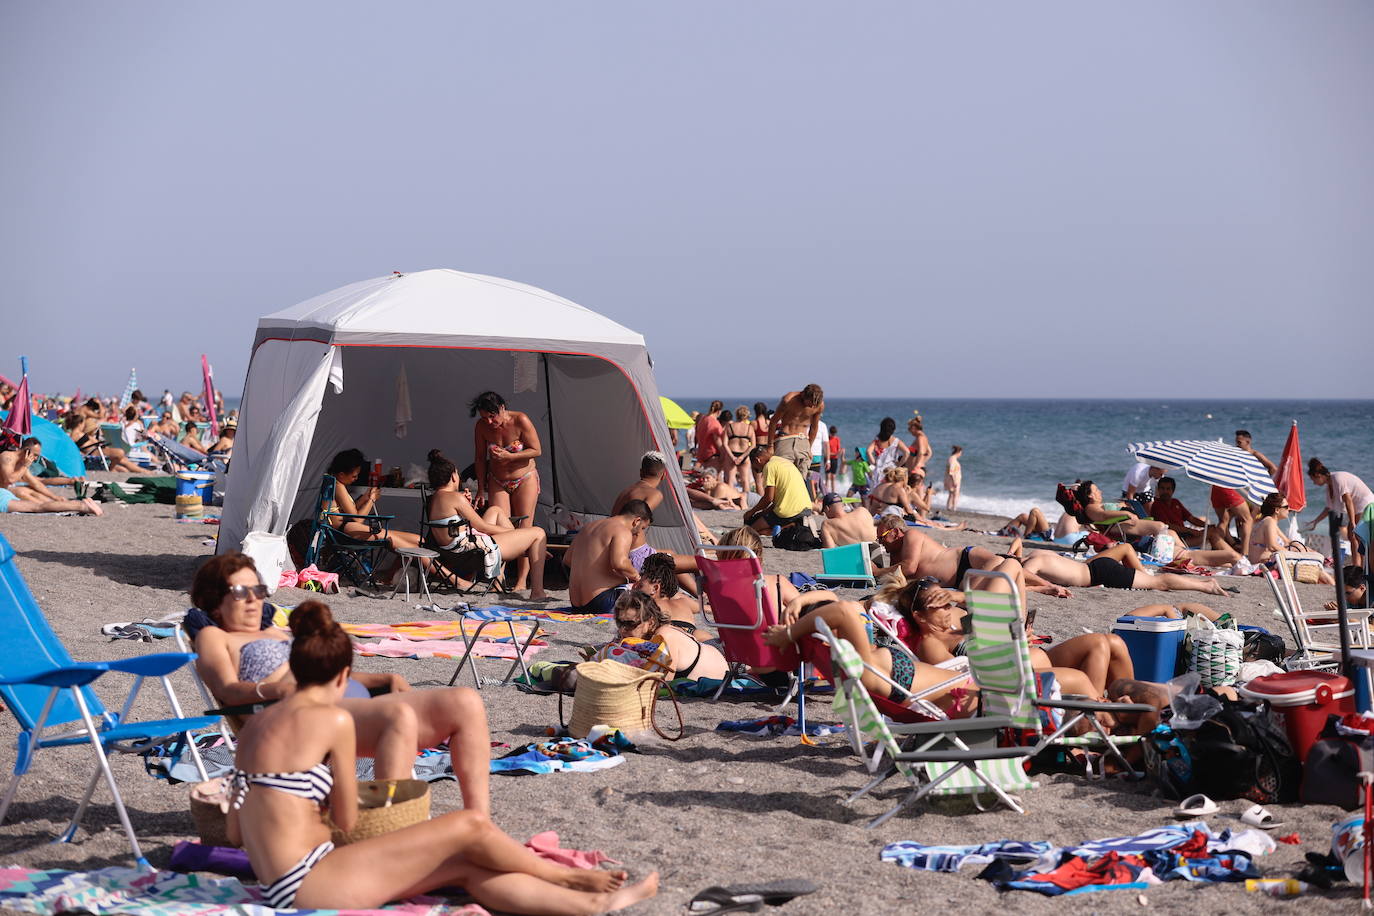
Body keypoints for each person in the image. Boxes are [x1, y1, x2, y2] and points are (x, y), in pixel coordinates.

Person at [224, 600, 656, 913]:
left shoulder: (253, 728)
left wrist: (292, 812)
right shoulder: (331, 723)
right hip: (310, 883)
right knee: (467, 825)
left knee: (467, 867)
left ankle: (594, 903)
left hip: (282, 882)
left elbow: (234, 830)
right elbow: (349, 821)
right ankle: (566, 877)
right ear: (342, 676)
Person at [191, 554, 494, 814]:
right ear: (216, 602)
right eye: (242, 591)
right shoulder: (216, 637)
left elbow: (321, 675)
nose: (255, 599)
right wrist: (279, 690)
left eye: (258, 589)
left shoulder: (274, 631)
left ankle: (478, 819)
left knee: (465, 702)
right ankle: (392, 823)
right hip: (294, 718)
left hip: (338, 702)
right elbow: (227, 691)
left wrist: (383, 678)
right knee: (396, 716)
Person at [763, 578, 973, 712]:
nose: (948, 607)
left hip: (910, 682)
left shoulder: (843, 660)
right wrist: (789, 633)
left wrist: (798, 603)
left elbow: (835, 602)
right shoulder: (864, 664)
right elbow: (843, 609)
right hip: (964, 692)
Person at [904, 579, 1127, 697]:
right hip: (1018, 679)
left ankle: (1127, 710)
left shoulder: (953, 620)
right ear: (919, 616)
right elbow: (960, 685)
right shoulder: (930, 644)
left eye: (947, 600)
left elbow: (995, 612)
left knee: (1105, 641)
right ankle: (1097, 718)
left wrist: (959, 596)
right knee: (1092, 659)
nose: (947, 607)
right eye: (940, 605)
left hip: (1033, 659)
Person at [426, 450, 550, 599]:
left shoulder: (434, 499)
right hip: (470, 551)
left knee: (495, 510)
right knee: (538, 533)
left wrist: (468, 505)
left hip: (451, 549)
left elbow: (460, 523)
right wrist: (509, 533)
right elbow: (482, 527)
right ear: (453, 476)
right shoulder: (455, 498)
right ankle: (537, 591)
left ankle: (502, 573)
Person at [874, 514, 1049, 601]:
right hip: (959, 579)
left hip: (967, 559)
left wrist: (877, 572)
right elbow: (898, 577)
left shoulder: (911, 535)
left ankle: (1047, 585)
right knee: (997, 586)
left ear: (896, 532)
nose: (880, 542)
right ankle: (1041, 588)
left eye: (882, 537)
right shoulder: (895, 553)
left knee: (1005, 568)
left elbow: (910, 568)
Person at [323, 449, 427, 554]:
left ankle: (394, 571)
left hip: (347, 528)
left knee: (418, 540)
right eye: (354, 476)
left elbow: (348, 510)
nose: (356, 479)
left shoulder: (332, 482)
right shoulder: (337, 486)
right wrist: (372, 500)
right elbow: (357, 519)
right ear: (341, 474)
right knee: (403, 541)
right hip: (345, 532)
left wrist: (364, 498)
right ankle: (440, 570)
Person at [470, 392, 542, 541]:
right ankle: (501, 563)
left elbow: (536, 450)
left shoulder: (520, 420)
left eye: (492, 416)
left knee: (524, 528)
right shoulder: (481, 427)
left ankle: (525, 565)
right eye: (485, 418)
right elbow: (480, 458)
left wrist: (510, 456)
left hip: (524, 478)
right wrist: (481, 488)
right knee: (501, 529)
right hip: (498, 480)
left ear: (502, 408)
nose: (489, 421)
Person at [1022, 544, 1227, 596]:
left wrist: (1044, 588)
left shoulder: (1032, 563)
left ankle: (1206, 586)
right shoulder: (1035, 553)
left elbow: (1023, 582)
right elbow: (1016, 545)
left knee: (1160, 583)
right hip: (1093, 566)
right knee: (1154, 579)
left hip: (1100, 573)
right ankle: (1205, 585)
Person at [610, 589, 726, 681]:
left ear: (650, 622)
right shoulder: (633, 636)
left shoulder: (665, 635)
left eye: (630, 623)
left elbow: (664, 680)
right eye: (620, 623)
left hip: (721, 668)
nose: (623, 629)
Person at [566, 500, 654, 612]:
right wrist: (637, 578)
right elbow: (620, 564)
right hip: (601, 601)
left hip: (576, 604)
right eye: (642, 528)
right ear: (637, 521)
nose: (638, 534)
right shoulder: (622, 530)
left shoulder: (587, 527)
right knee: (649, 591)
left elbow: (568, 559)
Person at [0, 438, 102, 515]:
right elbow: (10, 479)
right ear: (26, 451)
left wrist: (55, 497)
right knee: (31, 499)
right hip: (5, 491)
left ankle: (65, 504)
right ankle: (76, 505)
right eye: (35, 455)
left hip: (5, 491)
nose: (36, 459)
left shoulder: (21, 463)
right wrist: (25, 465)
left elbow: (36, 484)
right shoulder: (7, 457)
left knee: (34, 494)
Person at [1248, 492, 1329, 580]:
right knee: (1315, 569)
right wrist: (1296, 554)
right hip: (1262, 563)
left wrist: (1305, 549)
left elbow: (1287, 541)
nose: (1289, 509)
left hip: (1268, 561)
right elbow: (1272, 546)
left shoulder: (1269, 521)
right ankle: (1334, 586)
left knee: (1302, 551)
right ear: (1277, 510)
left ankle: (1334, 584)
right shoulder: (1269, 521)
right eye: (1286, 507)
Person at [1307, 459, 1374, 565]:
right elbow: (1329, 508)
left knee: (1356, 536)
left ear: (1317, 475)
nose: (1314, 483)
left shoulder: (1337, 478)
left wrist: (1352, 522)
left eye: (1313, 480)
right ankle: (1357, 566)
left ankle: (1361, 566)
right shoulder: (1329, 487)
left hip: (1365, 503)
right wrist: (1315, 522)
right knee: (1353, 537)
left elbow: (1348, 500)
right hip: (1356, 507)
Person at [742, 445, 811, 535]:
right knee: (761, 525)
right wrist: (763, 513)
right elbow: (776, 501)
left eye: (757, 469)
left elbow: (768, 498)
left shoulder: (769, 466)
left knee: (750, 531)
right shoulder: (783, 461)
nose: (759, 471)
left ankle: (787, 527)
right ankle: (786, 528)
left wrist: (751, 512)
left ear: (758, 460)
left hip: (788, 512)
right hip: (806, 509)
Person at [634, 552, 704, 635]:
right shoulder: (683, 602)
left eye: (640, 586)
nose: (635, 587)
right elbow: (705, 608)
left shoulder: (647, 605)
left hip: (667, 634)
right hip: (691, 633)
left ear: (655, 588)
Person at [1149, 477, 1226, 549]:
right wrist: (1190, 530)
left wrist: (1206, 526)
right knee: (1211, 534)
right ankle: (1227, 553)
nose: (1165, 491)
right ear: (1158, 490)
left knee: (1214, 530)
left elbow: (1191, 518)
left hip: (1185, 535)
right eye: (1162, 489)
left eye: (1168, 489)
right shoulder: (1157, 505)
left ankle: (1224, 552)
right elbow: (1168, 526)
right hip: (1175, 540)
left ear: (1173, 490)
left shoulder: (1176, 502)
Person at [65, 399, 142, 472]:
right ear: (79, 423)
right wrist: (100, 404)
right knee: (120, 454)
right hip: (94, 452)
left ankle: (145, 471)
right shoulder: (84, 411)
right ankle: (110, 469)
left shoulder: (76, 433)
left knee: (124, 465)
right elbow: (101, 416)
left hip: (95, 448)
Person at [769, 384, 825, 478]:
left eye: (815, 404)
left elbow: (814, 427)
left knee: (801, 479)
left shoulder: (819, 405)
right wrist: (770, 445)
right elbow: (773, 421)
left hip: (803, 442)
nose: (812, 406)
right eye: (810, 402)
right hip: (785, 439)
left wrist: (809, 448)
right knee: (782, 476)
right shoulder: (788, 400)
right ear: (804, 395)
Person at [865, 417, 909, 489]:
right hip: (891, 471)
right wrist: (899, 464)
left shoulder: (877, 440)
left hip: (879, 471)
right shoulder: (896, 441)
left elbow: (868, 451)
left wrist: (874, 463)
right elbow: (907, 452)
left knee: (878, 494)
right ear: (893, 429)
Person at [723, 406, 757, 493]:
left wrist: (732, 457)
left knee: (730, 480)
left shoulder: (730, 426)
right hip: (744, 455)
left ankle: (730, 500)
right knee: (745, 480)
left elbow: (725, 444)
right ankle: (746, 501)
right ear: (746, 416)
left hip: (732, 454)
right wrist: (742, 457)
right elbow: (753, 445)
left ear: (736, 414)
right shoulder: (749, 428)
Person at [693, 401, 724, 471]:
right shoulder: (714, 423)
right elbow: (717, 440)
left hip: (702, 454)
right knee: (714, 479)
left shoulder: (702, 420)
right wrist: (724, 453)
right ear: (719, 411)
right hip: (712, 454)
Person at [943, 445, 962, 511]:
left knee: (951, 494)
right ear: (958, 452)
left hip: (952, 479)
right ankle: (953, 508)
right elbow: (951, 471)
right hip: (952, 479)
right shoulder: (952, 459)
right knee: (954, 494)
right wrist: (954, 481)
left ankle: (950, 507)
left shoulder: (952, 459)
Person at [824, 426, 842, 495]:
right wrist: (834, 453)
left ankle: (833, 492)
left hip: (835, 459)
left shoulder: (837, 439)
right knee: (827, 476)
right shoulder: (827, 439)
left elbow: (838, 450)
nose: (834, 435)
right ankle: (826, 492)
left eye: (834, 434)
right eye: (832, 434)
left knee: (833, 476)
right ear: (830, 433)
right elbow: (825, 452)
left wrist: (840, 453)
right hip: (827, 458)